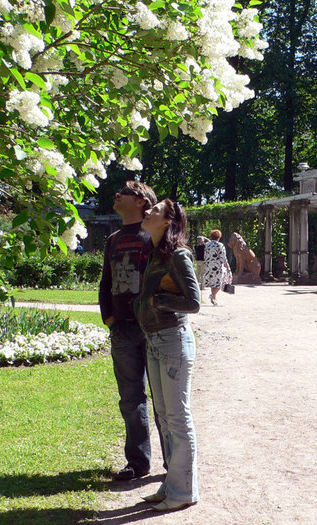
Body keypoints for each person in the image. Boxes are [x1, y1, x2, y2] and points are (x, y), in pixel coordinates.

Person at [135, 199, 201, 512]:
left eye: (155, 211)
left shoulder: (179, 254)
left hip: (173, 340)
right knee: (164, 418)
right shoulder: (155, 253)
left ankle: (184, 491)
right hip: (155, 341)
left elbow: (194, 301)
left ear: (167, 221)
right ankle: (171, 484)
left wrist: (156, 302)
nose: (147, 211)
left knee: (177, 417)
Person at [98, 180, 164, 481]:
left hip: (152, 328)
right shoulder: (112, 239)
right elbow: (106, 281)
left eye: (123, 191)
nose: (117, 194)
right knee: (130, 398)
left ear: (140, 201)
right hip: (122, 330)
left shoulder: (152, 235)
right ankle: (138, 463)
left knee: (163, 398)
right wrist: (108, 317)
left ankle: (173, 463)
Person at [202, 230, 231, 306]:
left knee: (212, 281)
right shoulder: (220, 245)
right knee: (219, 282)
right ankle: (213, 295)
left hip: (209, 265)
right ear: (219, 236)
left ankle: (214, 298)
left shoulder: (207, 244)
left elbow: (205, 255)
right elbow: (223, 256)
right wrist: (226, 264)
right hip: (217, 266)